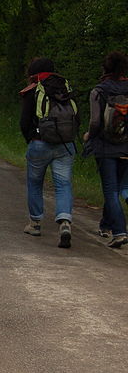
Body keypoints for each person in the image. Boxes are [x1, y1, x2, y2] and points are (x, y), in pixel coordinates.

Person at [19, 57, 75, 248]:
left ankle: (35, 223)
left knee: (35, 183)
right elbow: (77, 116)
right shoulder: (64, 87)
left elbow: (24, 121)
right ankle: (65, 221)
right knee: (63, 184)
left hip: (39, 143)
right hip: (65, 144)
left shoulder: (33, 90)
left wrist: (30, 138)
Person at [84, 51, 128, 248]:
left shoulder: (98, 91)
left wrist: (88, 136)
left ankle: (119, 232)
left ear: (105, 69)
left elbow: (95, 122)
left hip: (105, 147)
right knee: (120, 189)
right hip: (126, 147)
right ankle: (106, 224)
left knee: (110, 191)